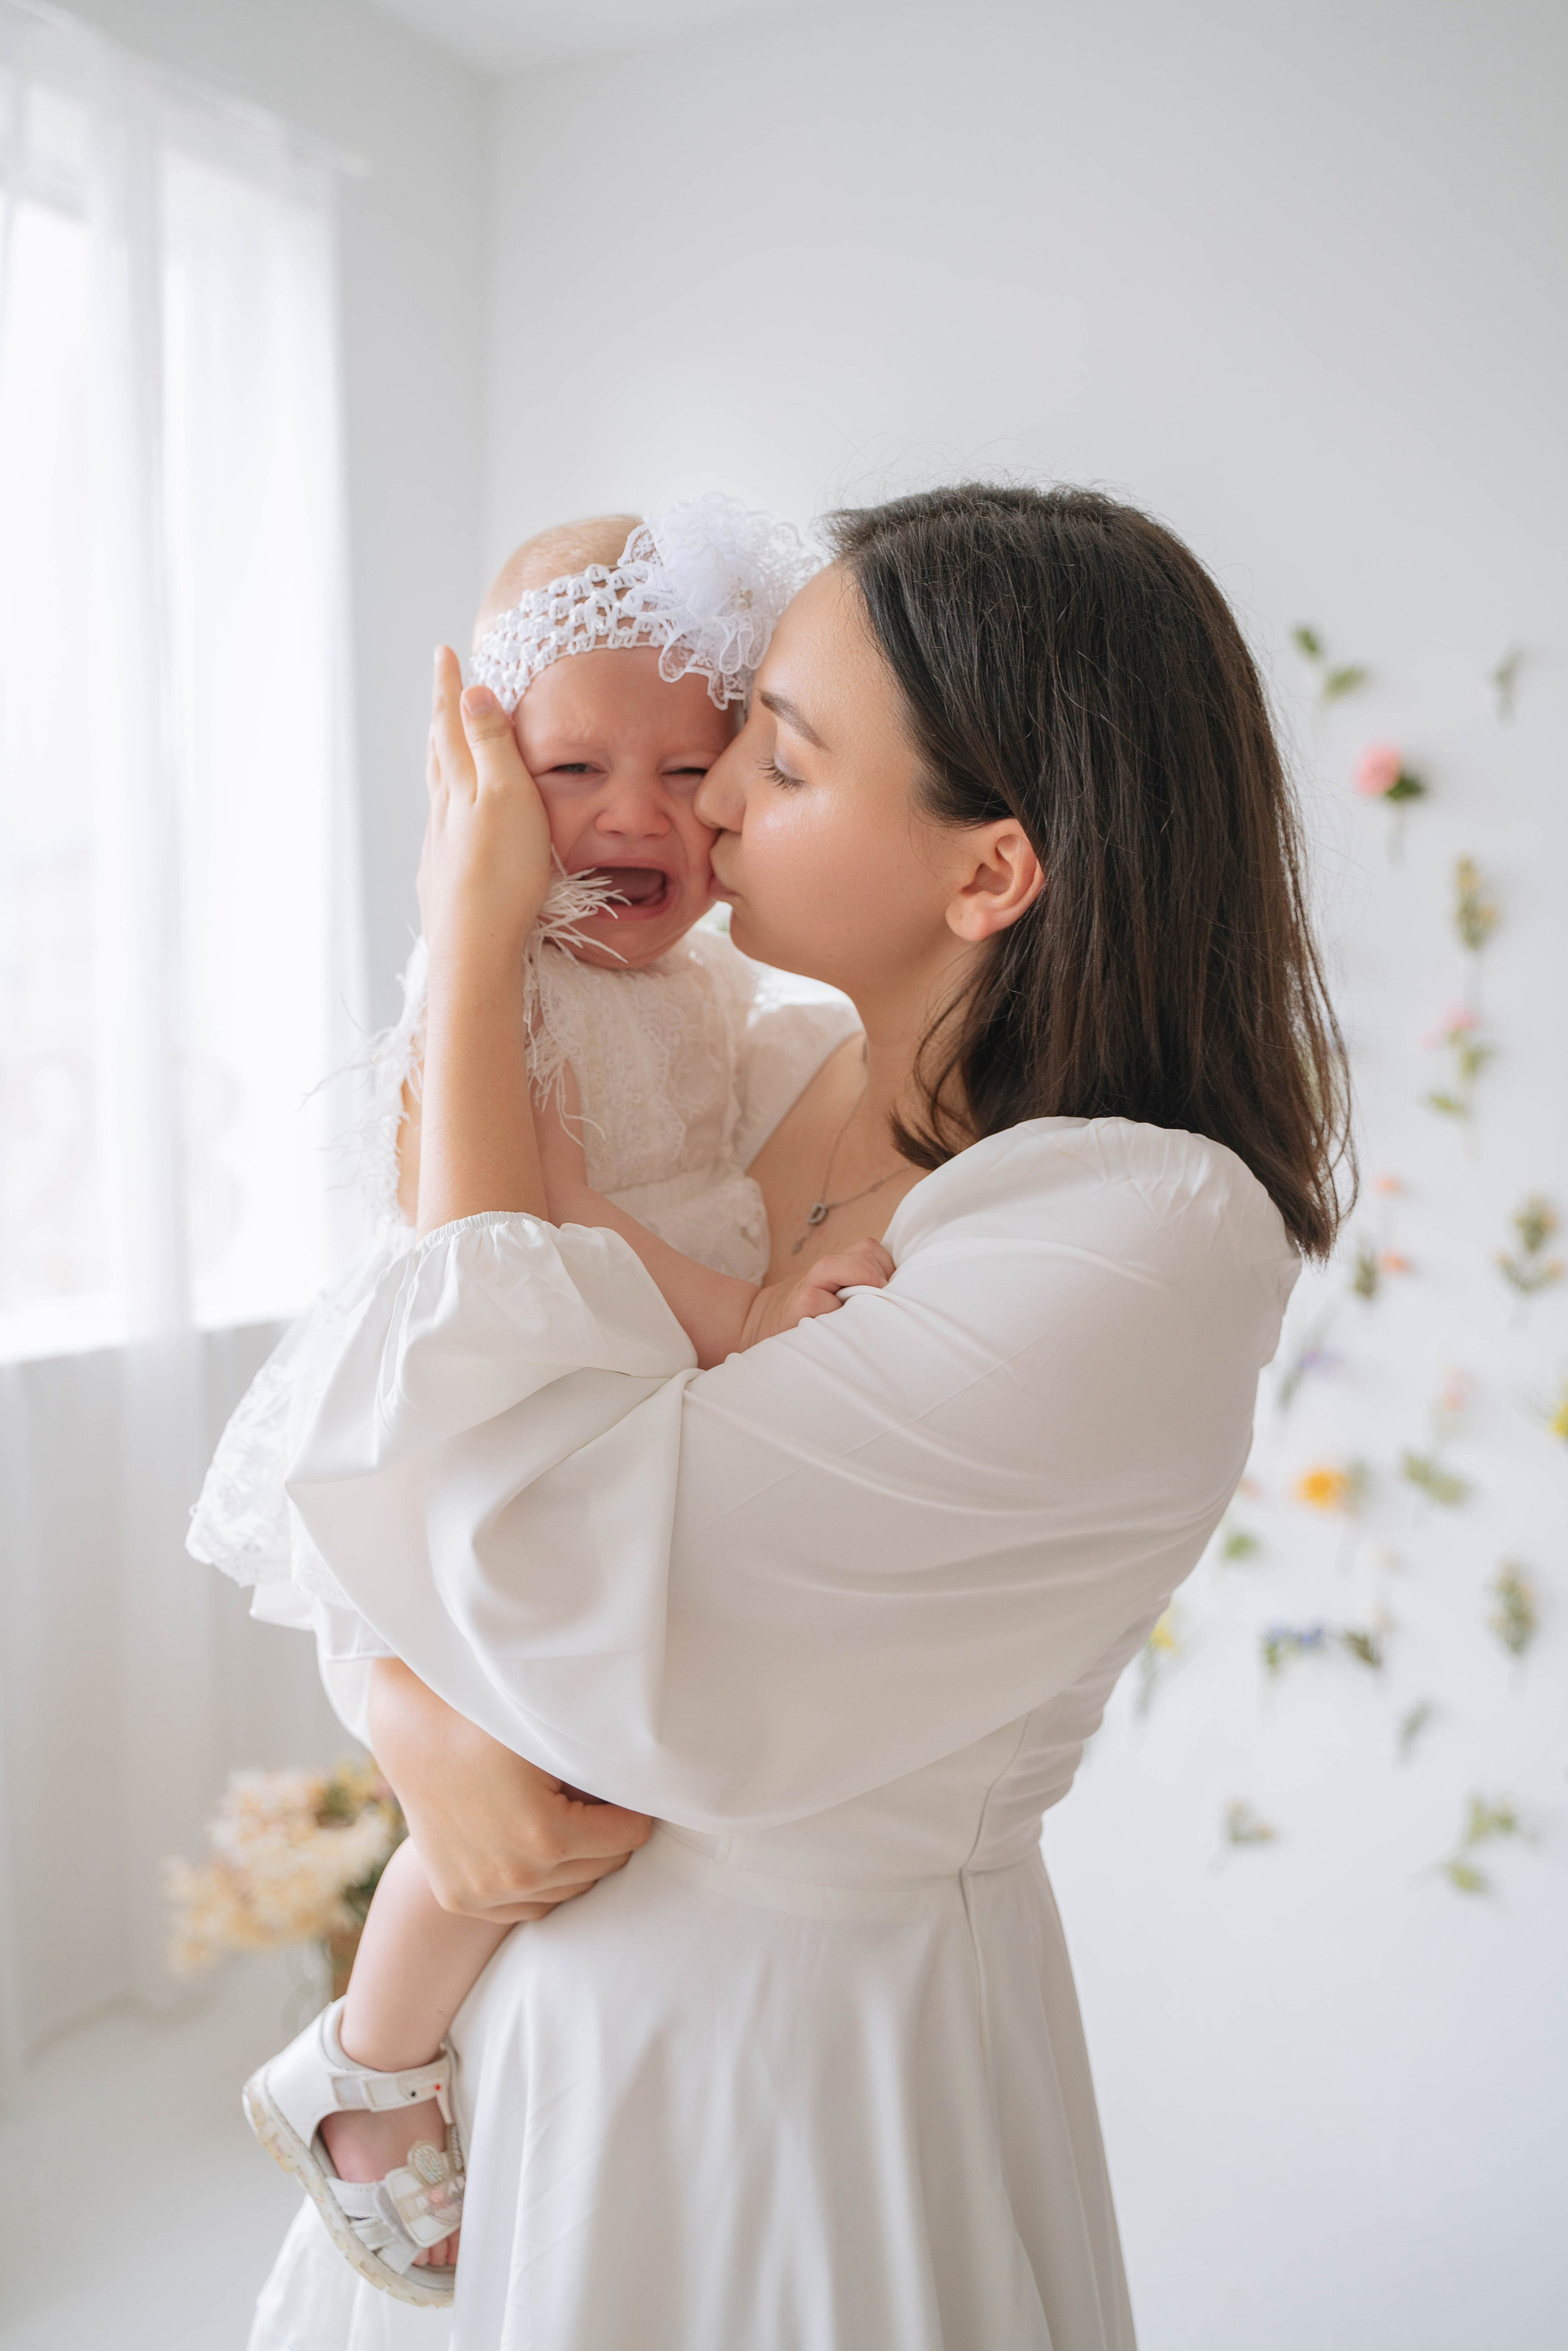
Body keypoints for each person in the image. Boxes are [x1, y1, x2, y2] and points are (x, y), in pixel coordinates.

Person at [254, 483, 1351, 2351]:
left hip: (789, 2083)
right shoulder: (778, 1071)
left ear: (992, 870)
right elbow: (399, 1441)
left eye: (775, 750)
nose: (708, 805)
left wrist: (464, 940)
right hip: (533, 2051)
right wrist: (398, 1705)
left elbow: (562, 1589)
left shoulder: (1128, 1237)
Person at [192, 497, 886, 2303]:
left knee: (574, 1787)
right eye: (574, 767)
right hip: (472, 1413)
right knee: (504, 1795)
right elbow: (531, 1235)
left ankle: (422, 2063)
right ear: (490, 785)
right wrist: (742, 1312)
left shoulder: (725, 992)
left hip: (595, 1405)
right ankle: (361, 2066)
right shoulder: (504, 989)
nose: (637, 814)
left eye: (690, 761)